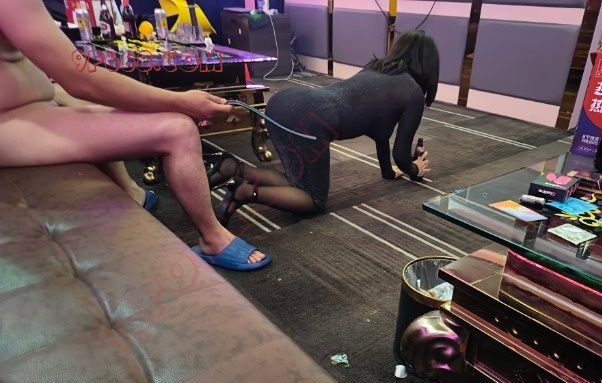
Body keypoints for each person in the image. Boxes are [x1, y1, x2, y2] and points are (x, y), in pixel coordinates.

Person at [0, 0, 269, 271]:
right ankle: (214, 239)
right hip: (10, 121)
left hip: (27, 105)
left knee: (110, 109)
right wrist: (181, 102)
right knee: (178, 129)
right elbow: (81, 79)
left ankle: (131, 193)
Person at [212, 30, 437, 221]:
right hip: (313, 121)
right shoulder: (413, 92)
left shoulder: (375, 67)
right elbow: (401, 154)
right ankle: (246, 192)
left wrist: (388, 172)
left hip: (282, 102)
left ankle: (232, 168)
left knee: (295, 180)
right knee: (313, 200)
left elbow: (381, 135)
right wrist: (414, 169)